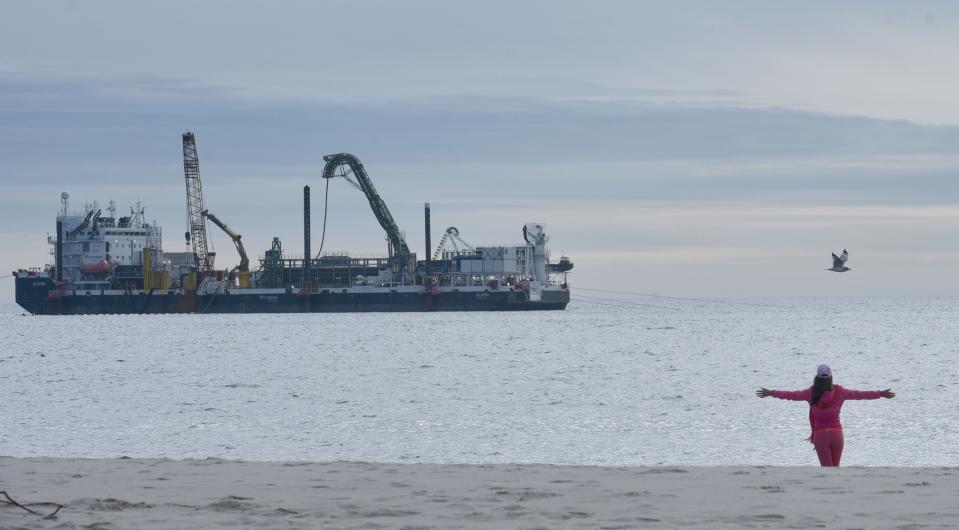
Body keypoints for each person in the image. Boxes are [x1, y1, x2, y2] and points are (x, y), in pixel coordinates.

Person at [756, 364, 894, 467]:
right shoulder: (841, 392)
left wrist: (771, 393)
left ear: (816, 377)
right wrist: (880, 394)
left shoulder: (810, 393)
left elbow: (791, 395)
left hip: (820, 436)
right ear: (831, 378)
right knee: (836, 469)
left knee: (827, 471)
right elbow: (861, 395)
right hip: (837, 434)